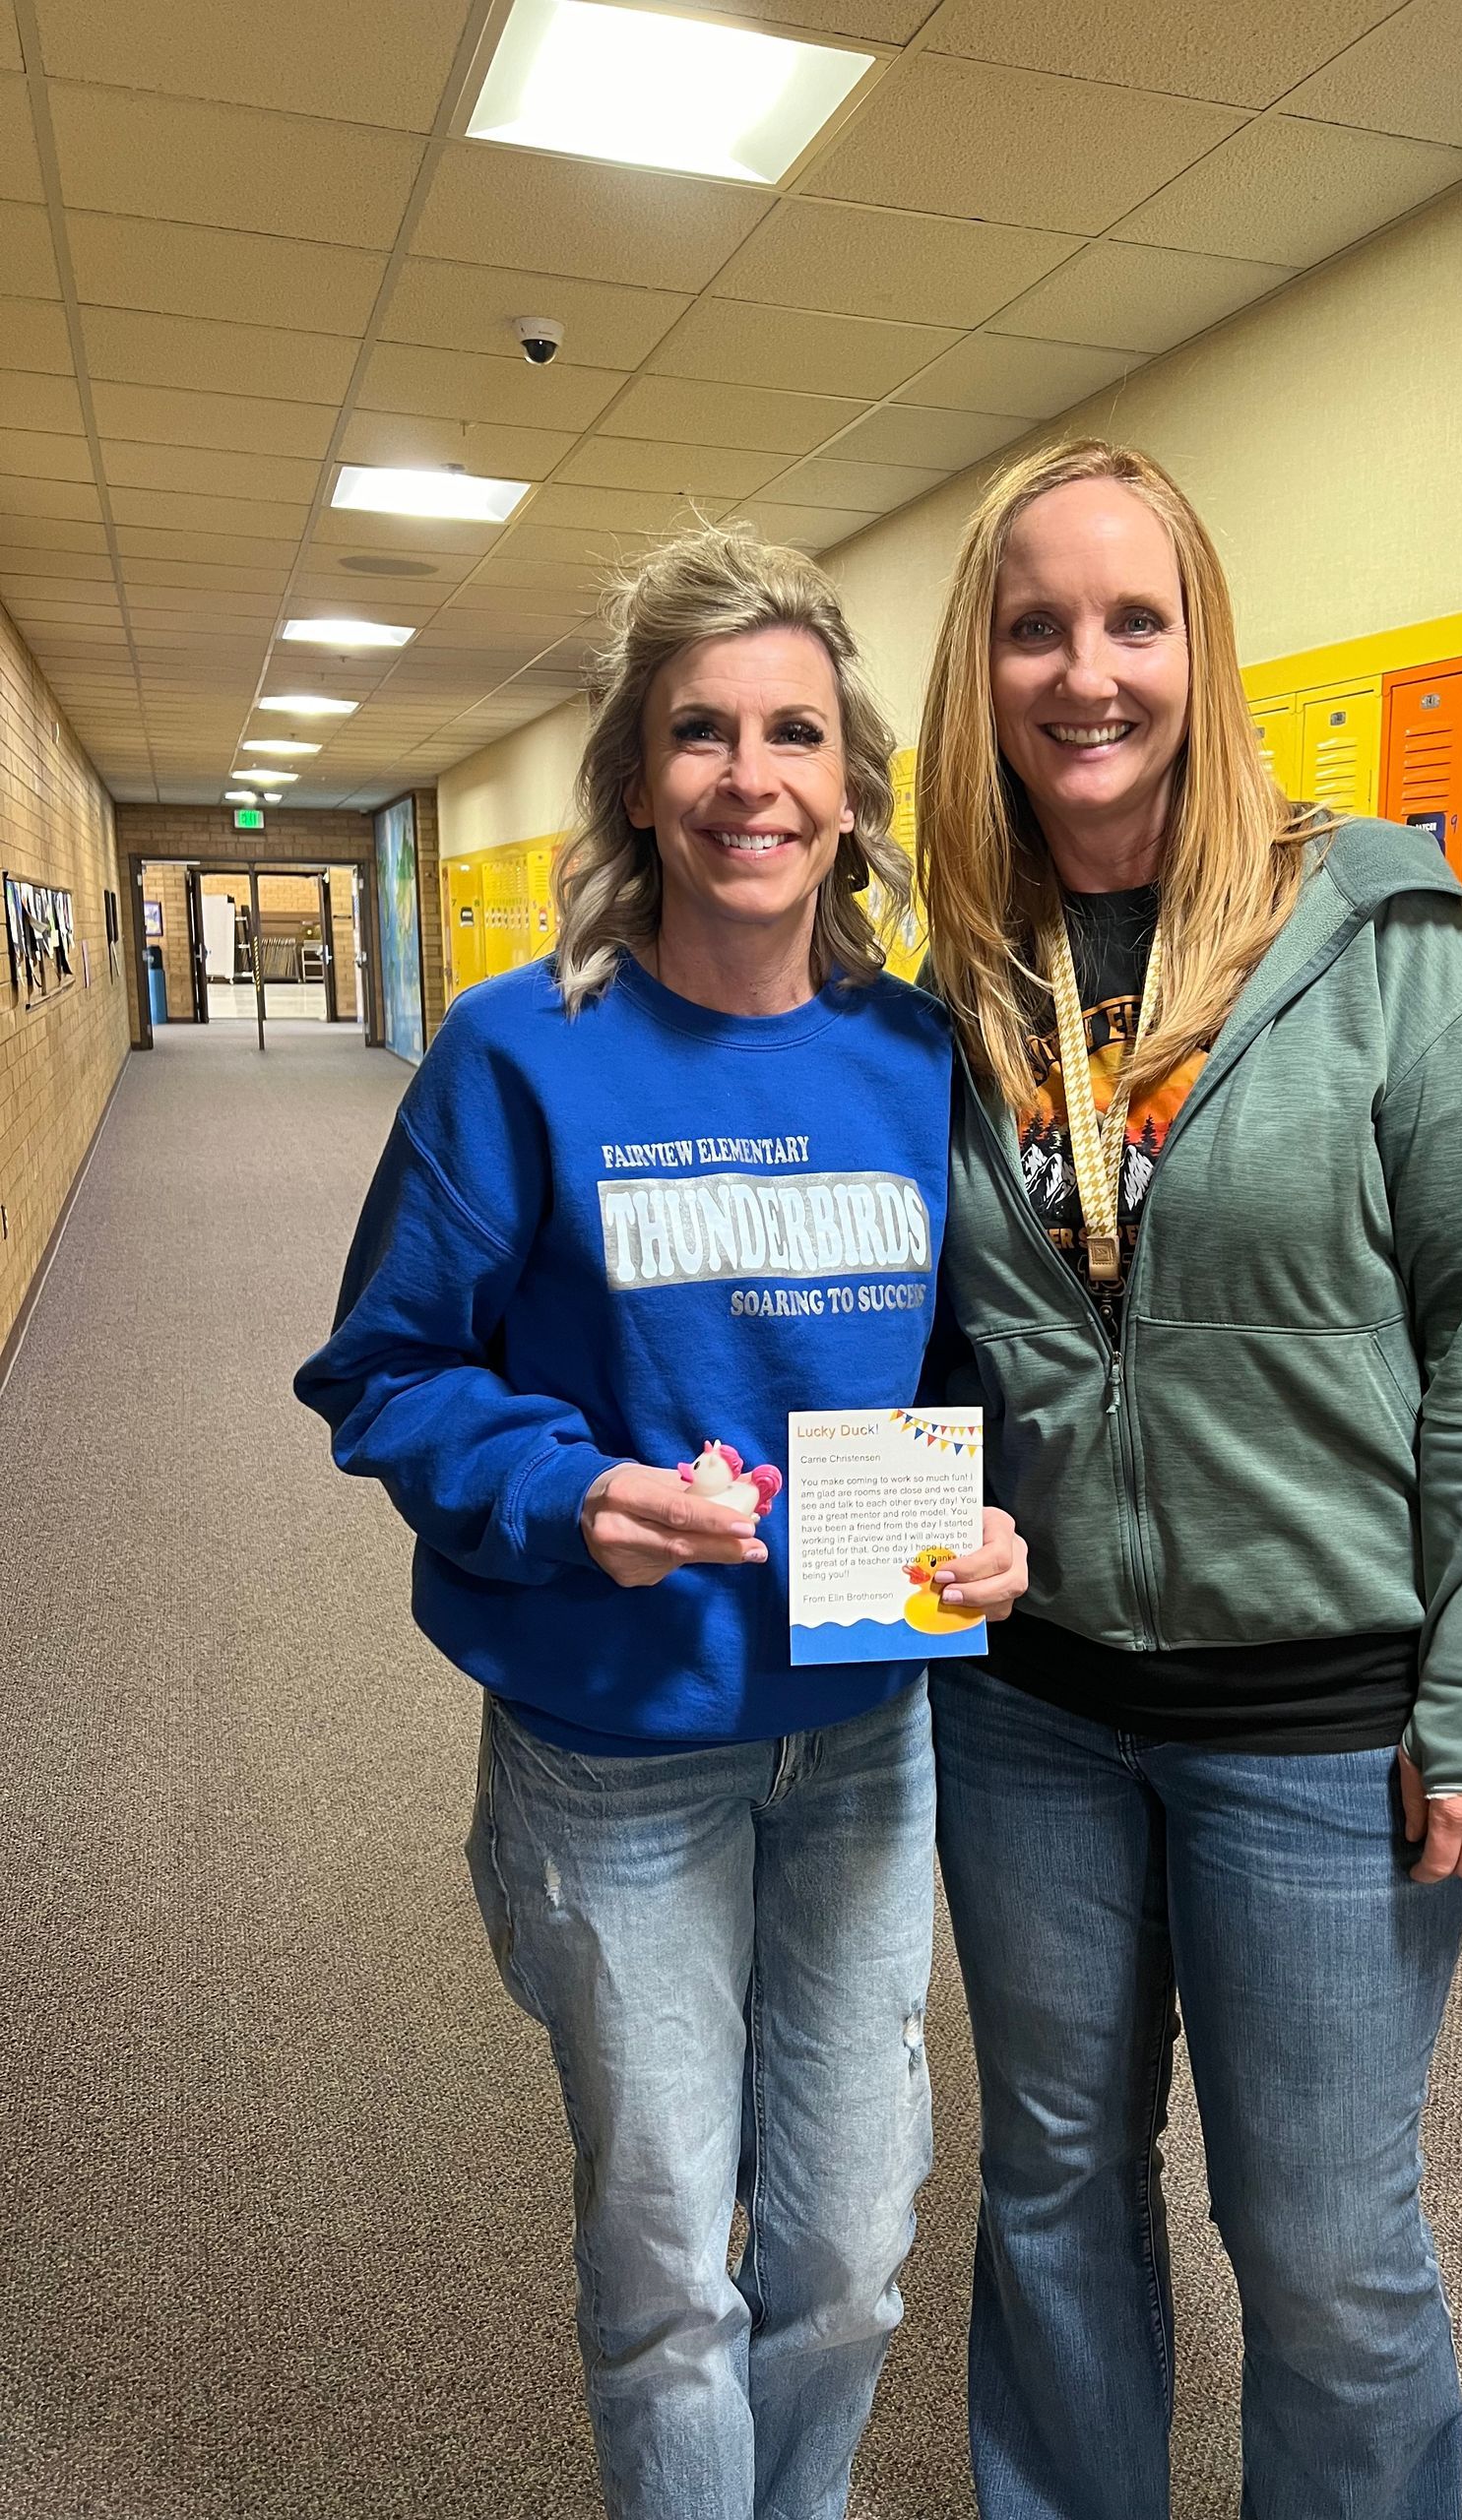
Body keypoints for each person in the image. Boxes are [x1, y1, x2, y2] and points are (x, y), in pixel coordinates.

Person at [294, 525, 1028, 2520]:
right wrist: (571, 1488)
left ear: (852, 784)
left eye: (795, 732)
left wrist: (999, 1525)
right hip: (619, 1752)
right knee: (662, 2278)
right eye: (701, 731)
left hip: (865, 1732)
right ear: (638, 771)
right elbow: (387, 1369)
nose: (749, 777)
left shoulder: (909, 1053)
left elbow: (977, 1360)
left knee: (851, 2260)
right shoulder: (519, 1051)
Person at [914, 441, 1462, 2520]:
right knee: (1052, 2190)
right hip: (1026, 1708)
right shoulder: (944, 982)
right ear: (980, 665)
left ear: (1202, 643)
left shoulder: (1383, 938)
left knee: (1330, 2250)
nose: (1085, 670)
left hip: (1316, 1721)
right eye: (1036, 624)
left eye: (1133, 618)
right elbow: (907, 1345)